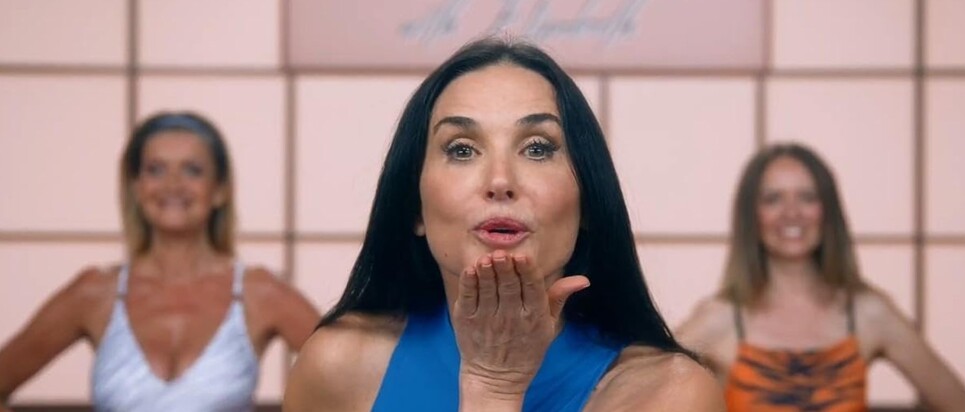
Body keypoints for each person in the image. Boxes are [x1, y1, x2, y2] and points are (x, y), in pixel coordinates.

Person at [283, 38, 723, 411]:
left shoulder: (669, 394)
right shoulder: (338, 367)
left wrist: (495, 386)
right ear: (414, 207)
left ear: (588, 202)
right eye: (461, 149)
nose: (500, 181)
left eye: (537, 148)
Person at [0, 112, 320, 412]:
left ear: (220, 190)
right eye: (155, 170)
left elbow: (347, 383)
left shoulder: (259, 294)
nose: (173, 184)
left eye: (192, 170)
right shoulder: (95, 294)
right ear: (136, 188)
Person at [674, 143, 965, 411]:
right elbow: (649, 386)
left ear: (828, 211)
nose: (791, 212)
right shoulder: (719, 318)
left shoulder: (868, 313)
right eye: (773, 199)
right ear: (751, 215)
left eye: (807, 197)